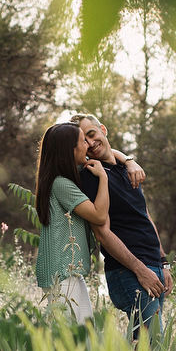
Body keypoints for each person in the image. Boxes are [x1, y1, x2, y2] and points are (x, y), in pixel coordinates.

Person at [70, 113, 173, 340]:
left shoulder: (127, 169)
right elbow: (102, 232)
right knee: (151, 345)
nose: (90, 143)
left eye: (92, 134)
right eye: (84, 140)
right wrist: (140, 270)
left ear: (103, 129)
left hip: (152, 264)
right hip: (129, 270)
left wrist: (163, 262)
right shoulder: (92, 176)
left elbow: (144, 215)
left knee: (147, 345)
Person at [33, 122, 109, 324]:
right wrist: (103, 177)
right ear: (70, 150)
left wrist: (129, 161)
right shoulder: (61, 184)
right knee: (74, 336)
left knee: (84, 333)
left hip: (68, 271)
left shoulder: (58, 180)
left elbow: (109, 154)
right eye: (83, 141)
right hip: (62, 273)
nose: (88, 145)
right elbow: (99, 215)